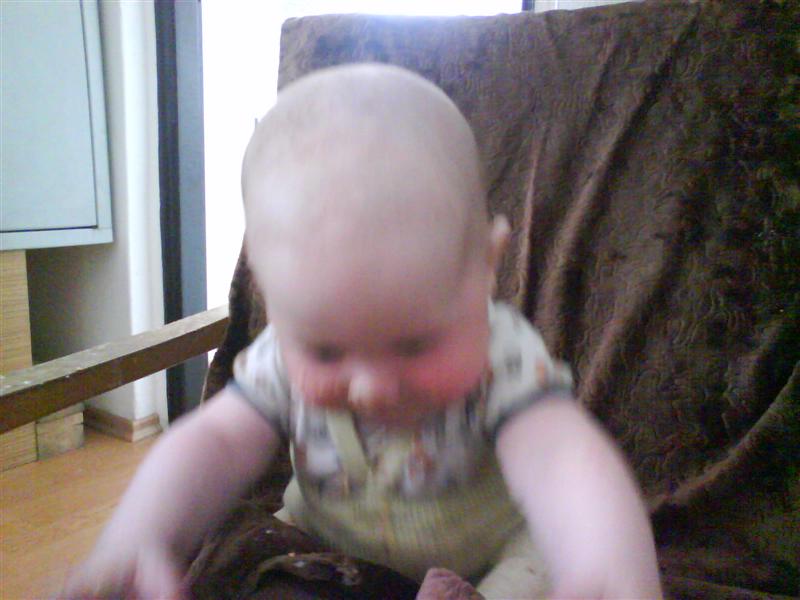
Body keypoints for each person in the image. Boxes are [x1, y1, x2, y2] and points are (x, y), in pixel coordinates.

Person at [64, 63, 661, 599]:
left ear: (486, 265)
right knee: (261, 565)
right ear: (271, 301)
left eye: (415, 343)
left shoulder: (501, 356)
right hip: (324, 550)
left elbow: (559, 455)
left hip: (490, 559)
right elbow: (215, 441)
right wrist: (141, 534)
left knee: (540, 565)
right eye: (326, 351)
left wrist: (604, 557)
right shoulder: (280, 358)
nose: (373, 389)